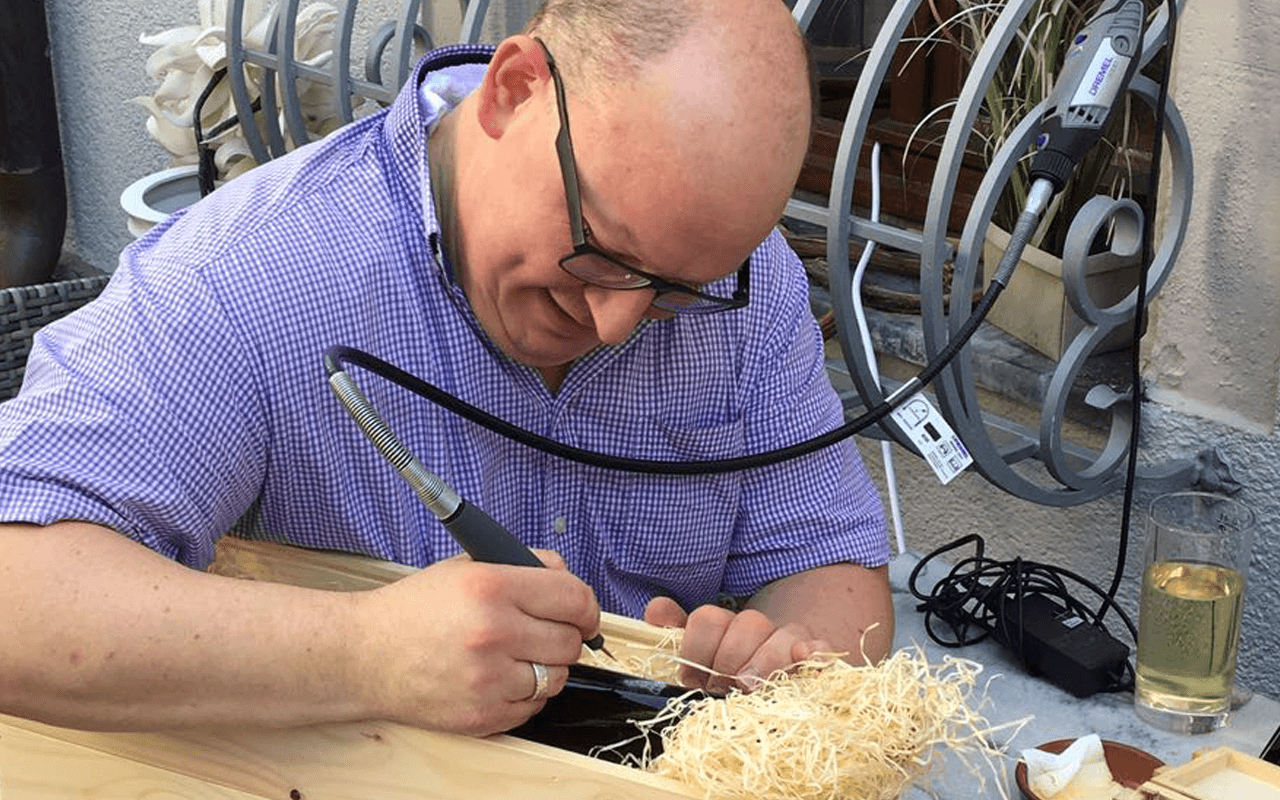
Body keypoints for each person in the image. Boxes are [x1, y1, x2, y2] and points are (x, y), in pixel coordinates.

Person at [0, 0, 893, 737]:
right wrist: (364, 653)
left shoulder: (746, 279)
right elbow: (21, 598)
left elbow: (835, 572)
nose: (619, 324)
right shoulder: (248, 276)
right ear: (512, 90)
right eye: (601, 250)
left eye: (672, 290)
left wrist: (784, 658)